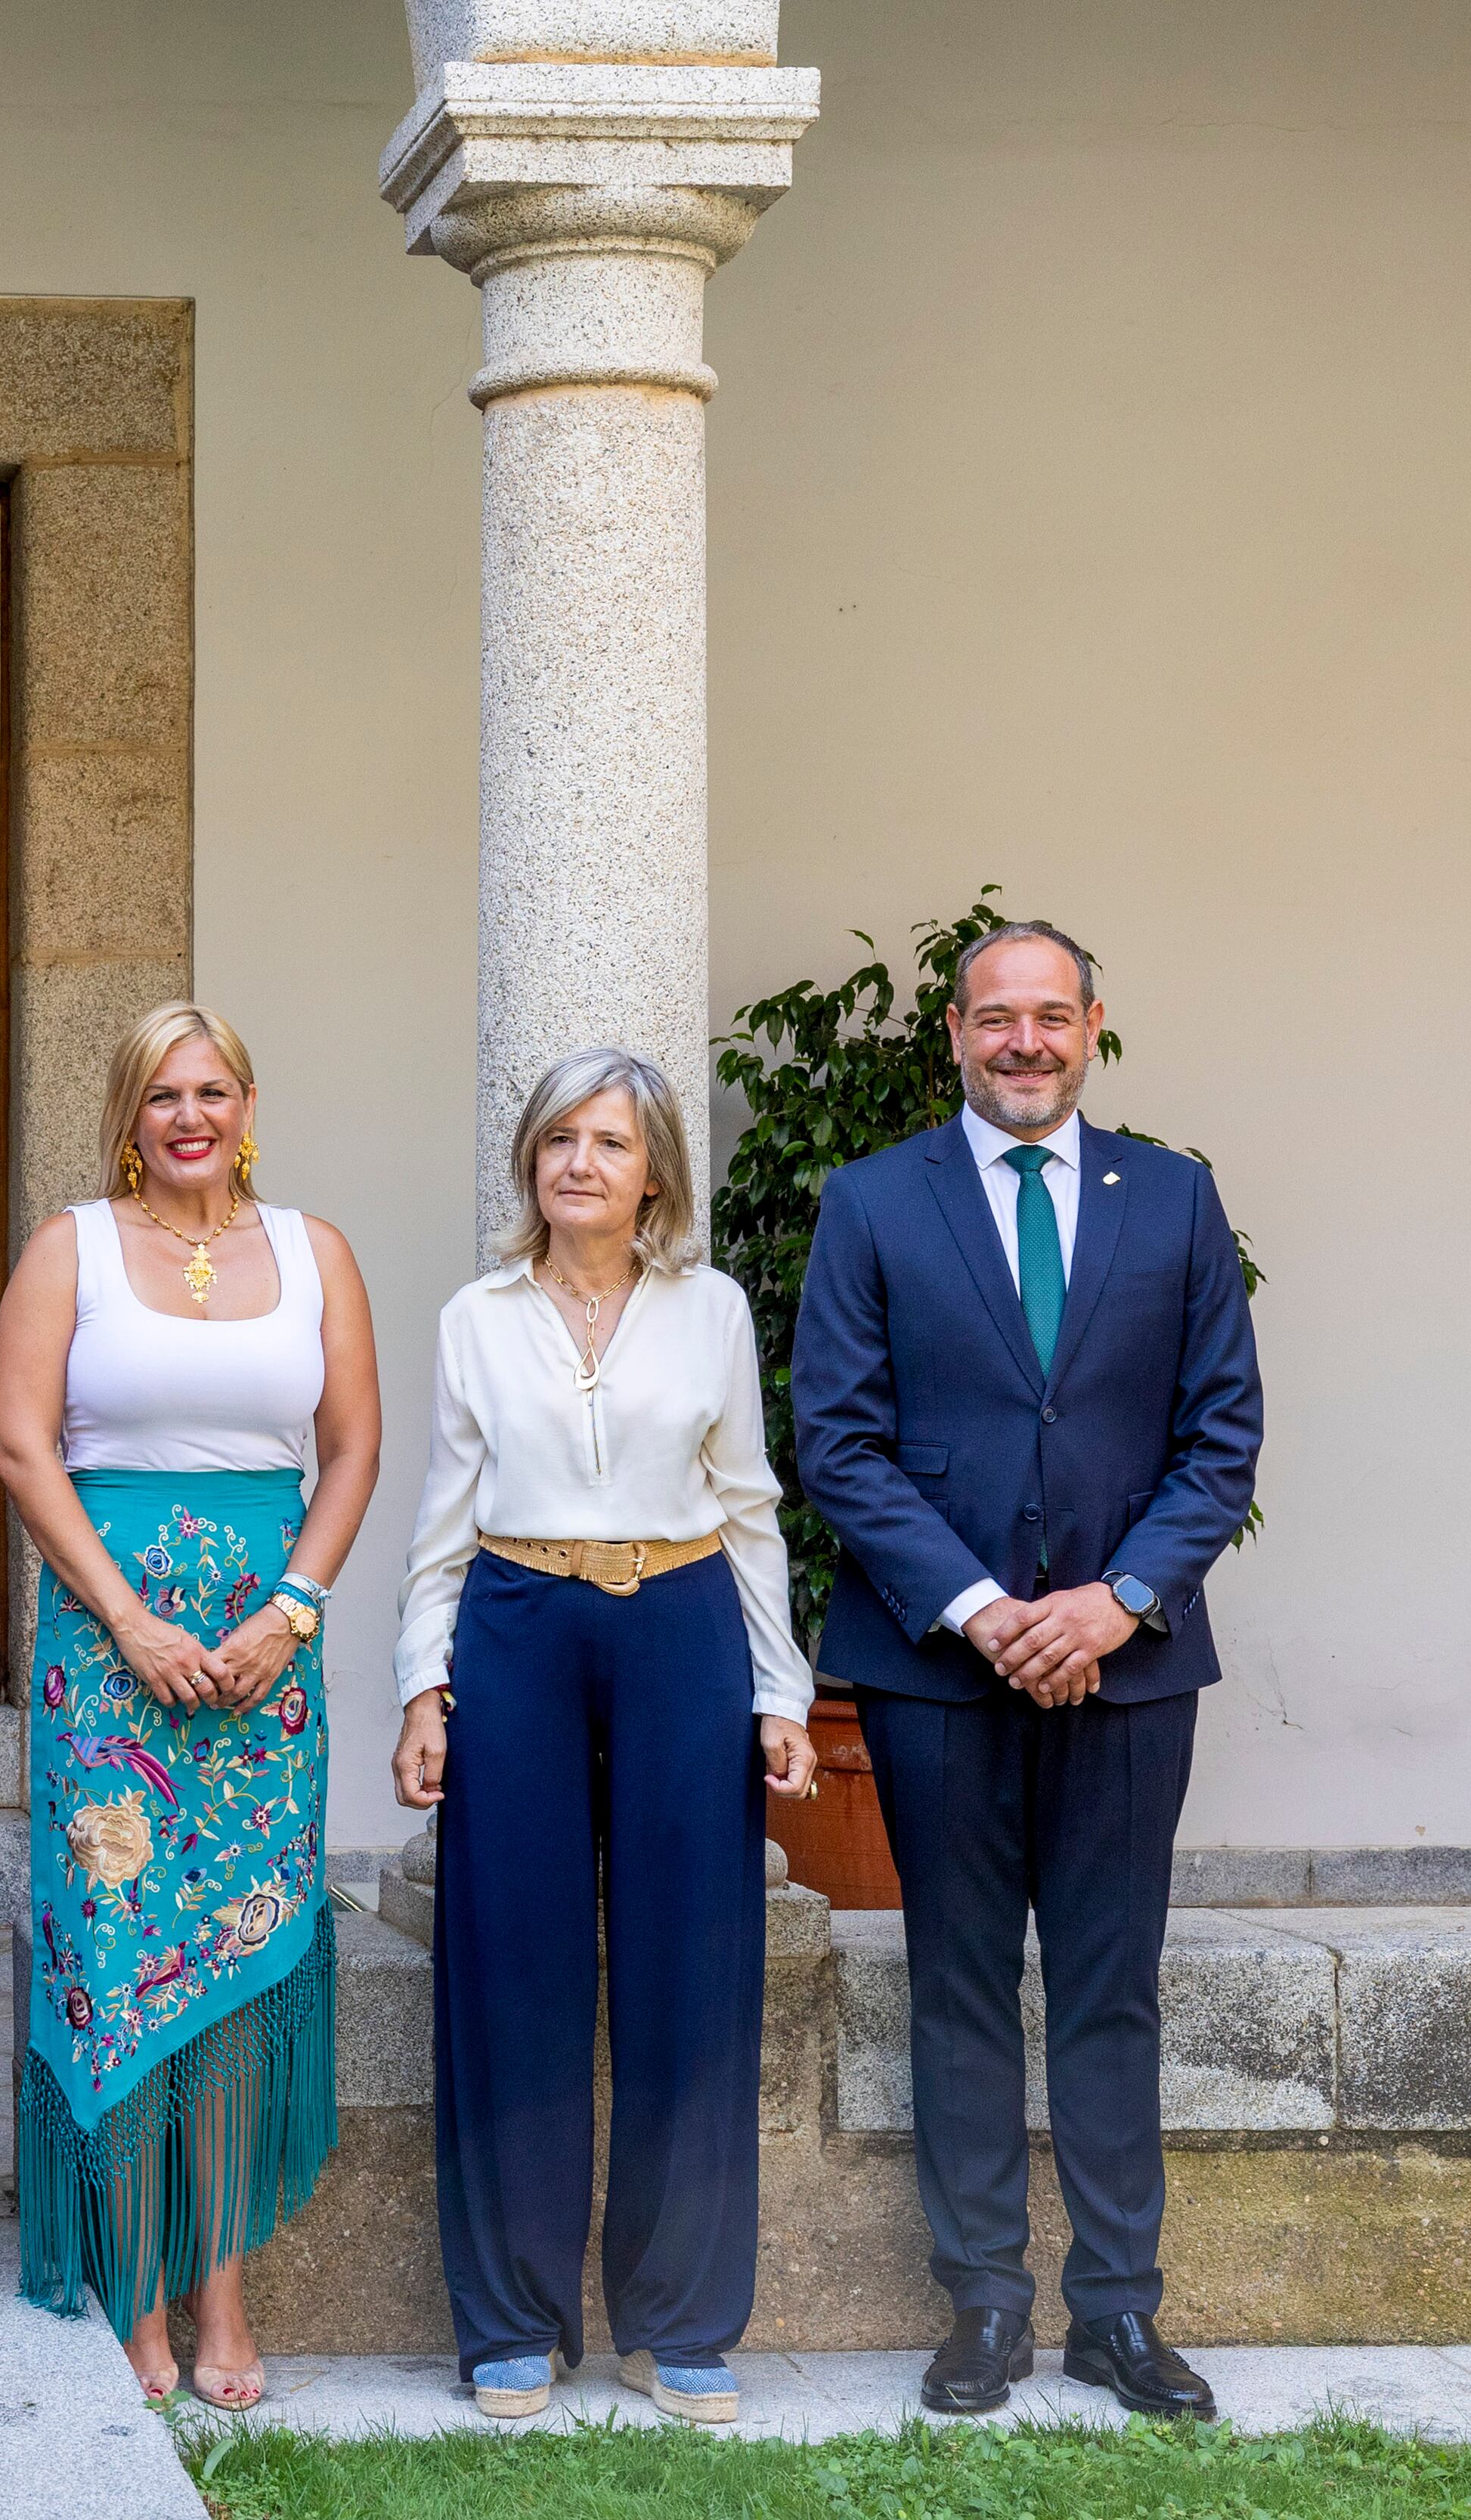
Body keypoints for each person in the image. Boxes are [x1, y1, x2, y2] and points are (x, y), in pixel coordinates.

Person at [793, 921, 1262, 2423]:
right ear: (953, 1031)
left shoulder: (1173, 1197)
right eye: (996, 1017)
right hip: (940, 1670)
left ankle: (1117, 2312)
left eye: (1050, 1016)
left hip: (1128, 1673)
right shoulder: (871, 1203)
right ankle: (984, 2303)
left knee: (1112, 1989)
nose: (1023, 1041)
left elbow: (1221, 1436)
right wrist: (987, 1607)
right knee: (959, 1986)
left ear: (1092, 1027)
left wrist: (1115, 1600)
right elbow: (838, 1440)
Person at [391, 1048, 819, 2428]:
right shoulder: (476, 1316)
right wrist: (422, 1687)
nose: (582, 1160)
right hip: (516, 1617)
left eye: (612, 1141)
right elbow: (443, 1520)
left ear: (656, 1172)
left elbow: (749, 1506)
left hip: (682, 1613)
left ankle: (679, 2317)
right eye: (560, 1136)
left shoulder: (713, 1311)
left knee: (692, 1958)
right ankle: (511, 2318)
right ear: (531, 1160)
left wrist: (781, 1696)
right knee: (510, 1959)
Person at [0, 1003, 382, 2408]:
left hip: (267, 1663)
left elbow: (351, 1449)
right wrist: (133, 1619)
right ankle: (137, 2290)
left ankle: (222, 2286)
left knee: (237, 1961)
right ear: (128, 1113)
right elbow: (22, 1448)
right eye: (164, 1093)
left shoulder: (315, 1252)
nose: (191, 1115)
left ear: (249, 1101)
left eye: (214, 1089)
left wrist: (292, 1610)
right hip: (110, 1658)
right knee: (118, 1948)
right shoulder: (70, 1248)